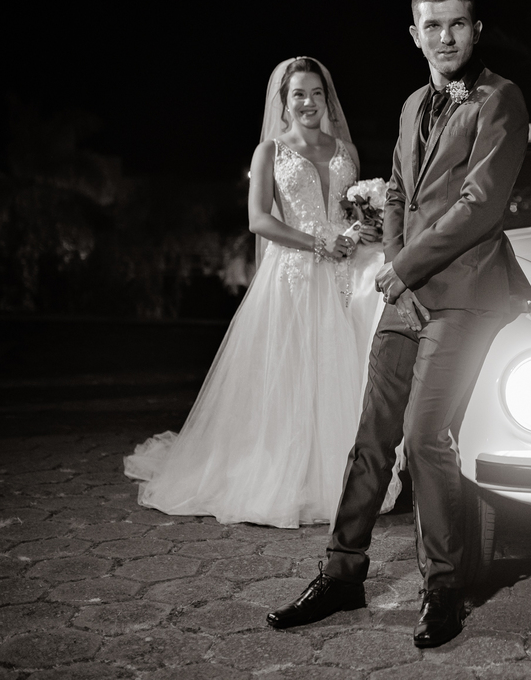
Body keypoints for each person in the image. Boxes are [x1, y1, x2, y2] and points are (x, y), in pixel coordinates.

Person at [268, 0, 531, 649]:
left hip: (466, 293)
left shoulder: (500, 99)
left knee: (423, 436)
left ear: (476, 29)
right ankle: (341, 574)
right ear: (414, 35)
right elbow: (396, 193)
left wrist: (404, 265)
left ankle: (443, 587)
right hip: (406, 294)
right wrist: (395, 264)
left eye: (457, 24)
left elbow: (480, 205)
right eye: (431, 26)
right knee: (371, 436)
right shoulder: (414, 103)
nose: (445, 37)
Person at [124, 57, 399, 529]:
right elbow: (259, 220)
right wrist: (317, 242)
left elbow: (346, 211)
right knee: (293, 371)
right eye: (299, 94)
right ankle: (285, 475)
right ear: (284, 102)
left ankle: (344, 474)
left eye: (316, 93)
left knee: (340, 368)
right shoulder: (270, 151)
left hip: (343, 272)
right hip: (294, 271)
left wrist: (363, 229)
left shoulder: (346, 149)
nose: (309, 102)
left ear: (327, 98)